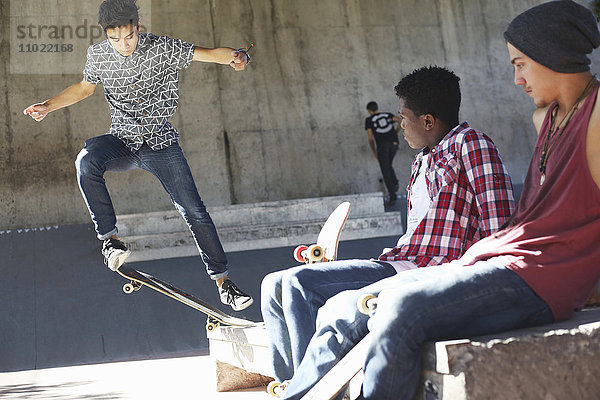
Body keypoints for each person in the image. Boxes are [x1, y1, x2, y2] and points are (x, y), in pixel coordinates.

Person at [281, 1, 600, 399]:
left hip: (538, 274)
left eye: (521, 64)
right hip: (500, 259)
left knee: (398, 309)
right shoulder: (547, 119)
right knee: (345, 306)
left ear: (552, 54)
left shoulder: (596, 116)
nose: (517, 79)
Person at [261, 66, 515, 393]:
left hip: (430, 270)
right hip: (399, 261)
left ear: (428, 121)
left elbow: (501, 222)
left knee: (299, 284)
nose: (400, 126)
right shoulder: (422, 160)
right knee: (274, 285)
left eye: (403, 118)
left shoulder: (470, 143)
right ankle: (295, 385)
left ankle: (311, 391)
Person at [23, 0, 253, 311]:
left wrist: (237, 57)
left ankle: (224, 283)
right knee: (86, 161)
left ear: (138, 27)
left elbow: (209, 54)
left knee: (194, 211)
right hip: (122, 143)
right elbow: (84, 88)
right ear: (106, 35)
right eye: (115, 39)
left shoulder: (162, 47)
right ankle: (110, 241)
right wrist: (48, 106)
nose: (123, 45)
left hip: (162, 145)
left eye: (129, 37)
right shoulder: (98, 55)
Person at [364, 101, 402, 205]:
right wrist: (395, 133)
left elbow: (370, 138)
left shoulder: (369, 120)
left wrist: (374, 151)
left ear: (369, 111)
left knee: (385, 170)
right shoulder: (387, 115)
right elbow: (400, 121)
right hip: (394, 143)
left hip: (382, 146)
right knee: (388, 164)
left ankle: (393, 196)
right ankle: (394, 183)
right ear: (377, 108)